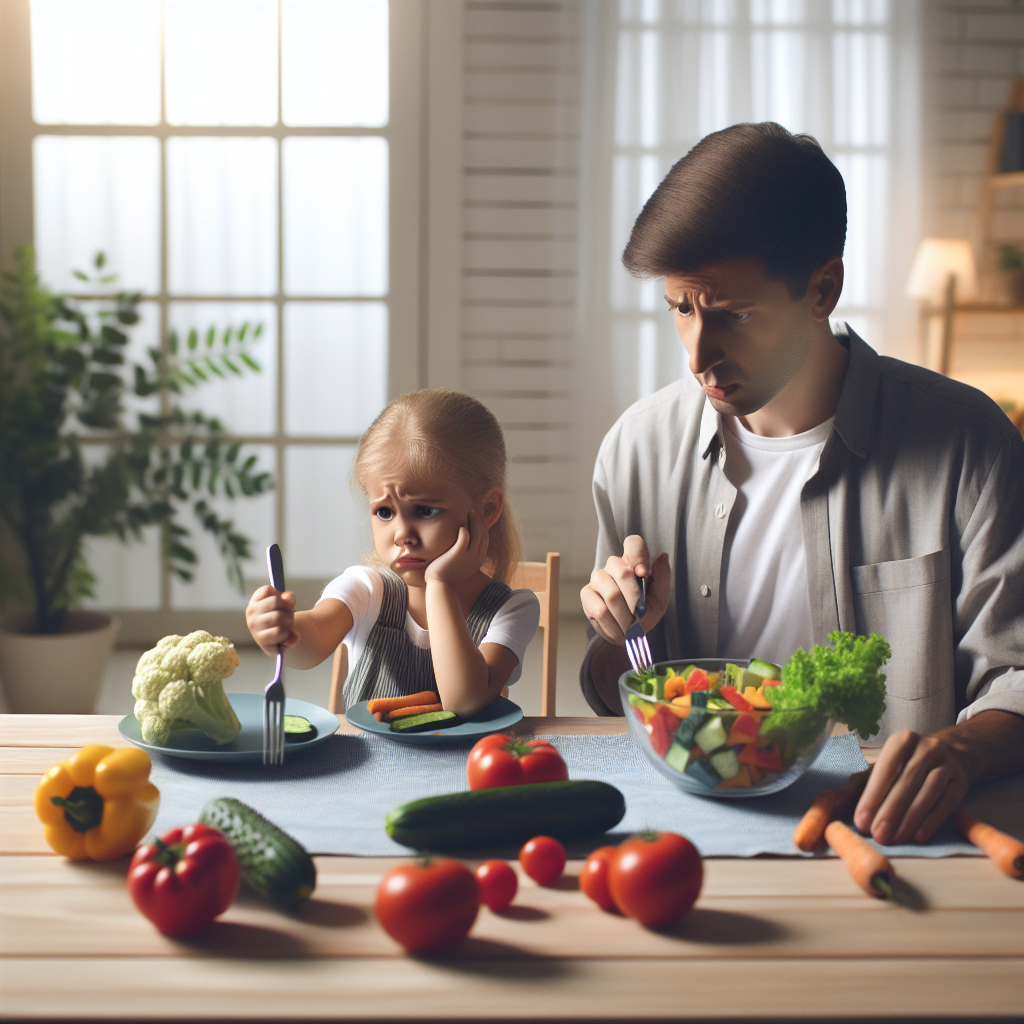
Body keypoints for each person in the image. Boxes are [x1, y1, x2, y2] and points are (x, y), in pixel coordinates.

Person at [580, 122, 1024, 846]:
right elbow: (612, 697)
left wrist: (962, 751)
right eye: (681, 310)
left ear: (823, 288)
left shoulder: (969, 445)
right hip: (688, 839)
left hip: (900, 839)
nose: (699, 354)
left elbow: (1016, 673)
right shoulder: (636, 450)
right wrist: (619, 642)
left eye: (735, 314)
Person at [246, 389, 540, 717]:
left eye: (426, 511)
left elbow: (464, 701)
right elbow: (310, 643)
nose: (402, 535)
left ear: (486, 510)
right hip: (368, 766)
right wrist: (281, 630)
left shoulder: (513, 609)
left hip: (462, 766)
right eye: (385, 512)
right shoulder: (367, 589)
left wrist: (440, 585)